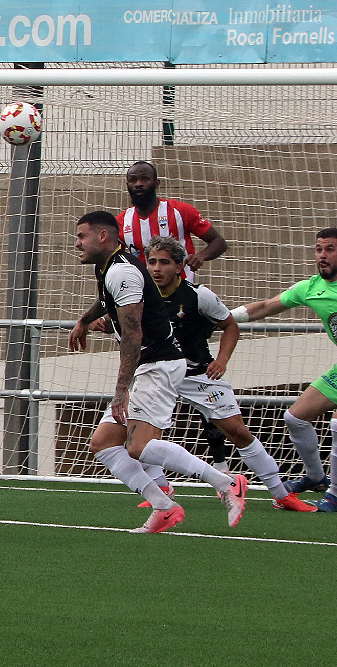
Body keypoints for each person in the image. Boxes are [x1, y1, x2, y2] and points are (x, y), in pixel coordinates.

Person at [70, 211, 248, 534]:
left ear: (102, 237)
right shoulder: (107, 266)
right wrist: (84, 319)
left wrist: (121, 390)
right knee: (103, 443)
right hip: (150, 365)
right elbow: (105, 302)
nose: (77, 243)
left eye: (81, 236)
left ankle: (226, 482)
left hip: (160, 365)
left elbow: (133, 333)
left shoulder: (122, 272)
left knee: (138, 447)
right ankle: (164, 507)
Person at [134, 236, 315, 512]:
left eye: (164, 262)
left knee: (237, 431)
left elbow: (230, 325)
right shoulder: (140, 296)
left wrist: (221, 360)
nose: (156, 268)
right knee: (135, 434)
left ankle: (281, 494)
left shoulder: (198, 296)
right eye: (152, 262)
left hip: (198, 375)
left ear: (180, 266)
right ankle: (161, 488)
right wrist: (98, 323)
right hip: (158, 374)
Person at [118, 160, 231, 470]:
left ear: (157, 183)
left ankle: (220, 462)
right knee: (148, 382)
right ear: (127, 185)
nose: (139, 184)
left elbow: (218, 241)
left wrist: (201, 256)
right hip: (149, 310)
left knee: (198, 374)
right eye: (133, 179)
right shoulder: (121, 223)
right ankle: (156, 474)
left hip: (184, 305)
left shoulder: (180, 212)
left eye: (144, 179)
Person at [229, 228, 337, 512]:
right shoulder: (311, 288)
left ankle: (335, 497)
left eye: (330, 249)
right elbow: (265, 307)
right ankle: (316, 477)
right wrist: (222, 317)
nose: (322, 256)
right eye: (318, 249)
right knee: (295, 417)